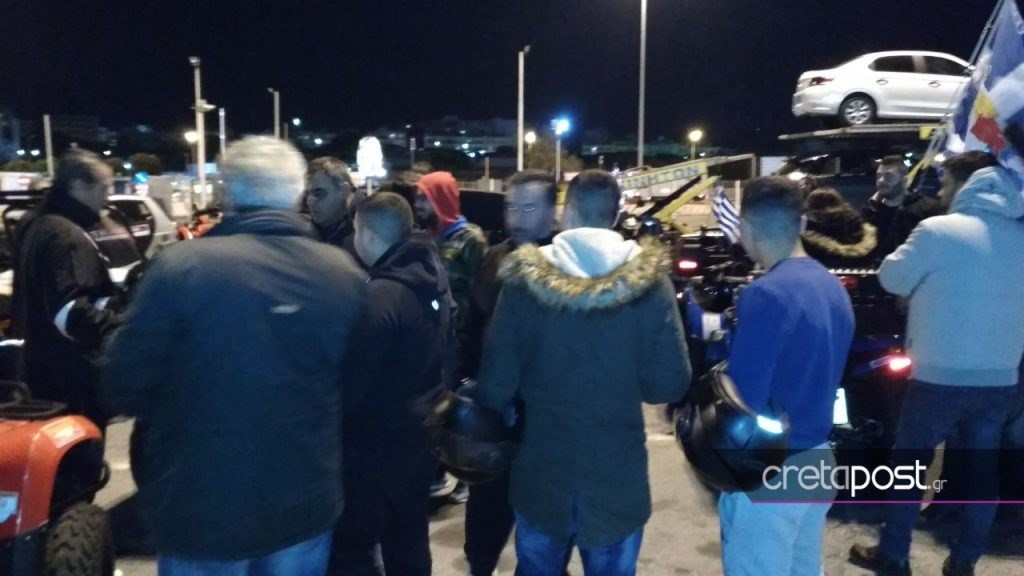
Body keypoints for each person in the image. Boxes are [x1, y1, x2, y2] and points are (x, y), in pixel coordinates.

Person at [102, 136, 367, 575]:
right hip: (303, 501)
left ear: (227, 193)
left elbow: (123, 382)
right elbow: (358, 386)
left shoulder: (181, 267)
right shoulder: (343, 273)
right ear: (297, 193)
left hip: (203, 505)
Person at [475, 170, 691, 576]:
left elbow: (495, 386)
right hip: (616, 480)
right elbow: (669, 383)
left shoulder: (523, 280)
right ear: (615, 215)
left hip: (541, 474)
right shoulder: (651, 284)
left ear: (567, 211)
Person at [850, 165, 1024, 576]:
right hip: (999, 378)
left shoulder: (937, 231)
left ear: (966, 187)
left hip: (937, 376)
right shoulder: (1020, 238)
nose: (941, 190)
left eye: (946, 183)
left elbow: (892, 277)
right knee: (982, 473)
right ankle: (964, 562)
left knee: (909, 468)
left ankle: (894, 555)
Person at [718, 176, 855, 576]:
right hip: (817, 458)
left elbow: (744, 400)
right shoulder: (831, 285)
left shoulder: (766, 294)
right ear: (802, 224)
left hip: (773, 468)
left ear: (745, 228)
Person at [329, 192, 452, 576]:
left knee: (352, 547)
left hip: (376, 446)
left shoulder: (381, 295)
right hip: (420, 434)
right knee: (408, 537)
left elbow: (354, 377)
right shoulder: (430, 275)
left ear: (366, 234)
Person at [462, 170, 560, 576]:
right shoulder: (494, 258)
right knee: (485, 515)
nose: (516, 217)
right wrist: (468, 384)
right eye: (511, 206)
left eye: (528, 207)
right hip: (494, 413)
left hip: (546, 419)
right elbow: (472, 326)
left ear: (553, 211)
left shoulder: (565, 262)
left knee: (543, 531)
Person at [10, 149, 126, 427]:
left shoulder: (36, 222)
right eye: (104, 187)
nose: (108, 196)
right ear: (78, 186)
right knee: (82, 450)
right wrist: (124, 327)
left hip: (40, 372)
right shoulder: (65, 234)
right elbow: (71, 314)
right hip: (72, 381)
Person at [861, 155, 941, 260]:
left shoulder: (926, 209)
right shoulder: (871, 210)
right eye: (878, 176)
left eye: (888, 176)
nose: (881, 180)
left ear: (904, 181)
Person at [801, 187, 878, 269]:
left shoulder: (809, 227)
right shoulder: (856, 221)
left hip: (824, 271)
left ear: (810, 204)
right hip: (862, 269)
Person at [306, 156, 360, 259]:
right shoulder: (302, 230)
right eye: (307, 193)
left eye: (319, 193)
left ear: (344, 191)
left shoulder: (367, 235)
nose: (309, 201)